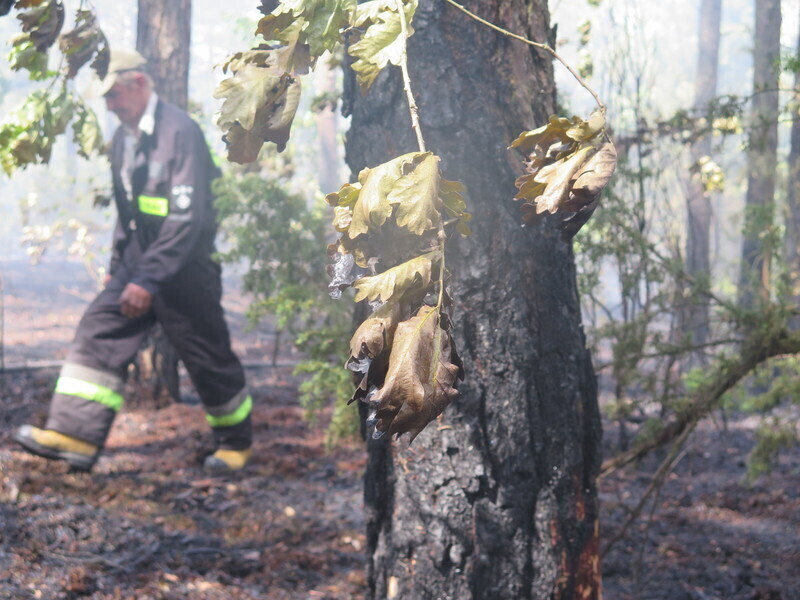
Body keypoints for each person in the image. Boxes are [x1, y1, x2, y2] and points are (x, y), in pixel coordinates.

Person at [15, 49, 252, 473]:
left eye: (114, 95)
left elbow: (185, 219)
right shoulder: (123, 138)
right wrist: (118, 267)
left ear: (139, 84)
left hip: (186, 269)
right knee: (99, 328)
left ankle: (235, 445)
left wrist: (148, 278)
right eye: (104, 98)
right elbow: (128, 216)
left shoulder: (181, 132)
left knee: (206, 354)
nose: (108, 105)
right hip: (138, 264)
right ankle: (74, 435)